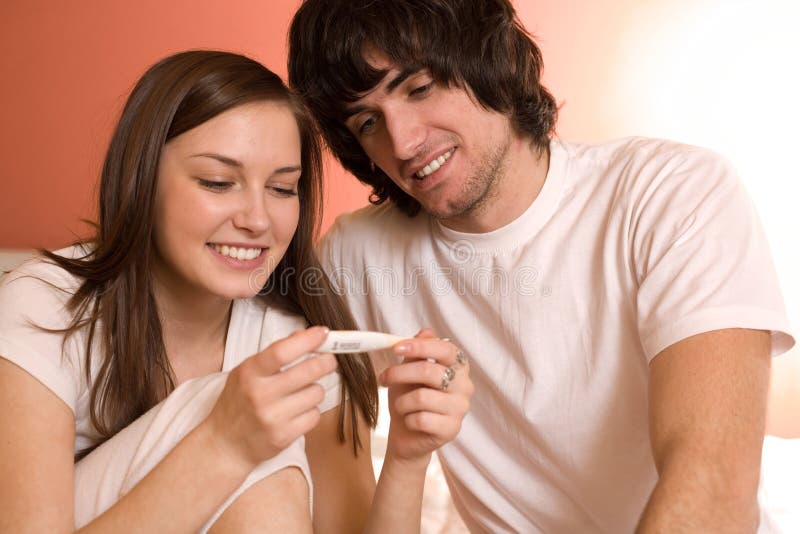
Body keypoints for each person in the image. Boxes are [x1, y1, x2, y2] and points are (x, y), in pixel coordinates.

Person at [287, 1, 796, 532]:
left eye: (418, 88)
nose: (403, 143)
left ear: (497, 54)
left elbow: (714, 492)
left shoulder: (673, 195)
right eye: (368, 122)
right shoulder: (355, 257)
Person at [0, 50, 472, 532]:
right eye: (219, 182)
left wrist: (407, 460)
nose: (257, 220)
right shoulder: (44, 304)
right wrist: (227, 443)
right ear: (141, 181)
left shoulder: (293, 342)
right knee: (261, 455)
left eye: (283, 189)